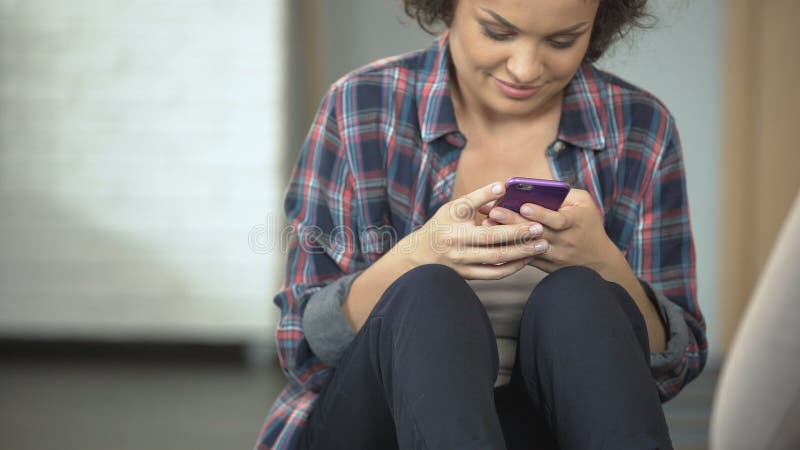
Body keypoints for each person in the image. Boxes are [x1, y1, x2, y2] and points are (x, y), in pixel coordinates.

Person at [256, 0, 707, 449]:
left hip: (550, 425)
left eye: (561, 40)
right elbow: (305, 349)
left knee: (581, 294)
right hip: (378, 422)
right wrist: (418, 254)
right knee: (428, 292)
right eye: (498, 32)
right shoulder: (361, 104)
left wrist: (604, 262)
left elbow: (673, 368)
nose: (525, 68)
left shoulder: (640, 126)